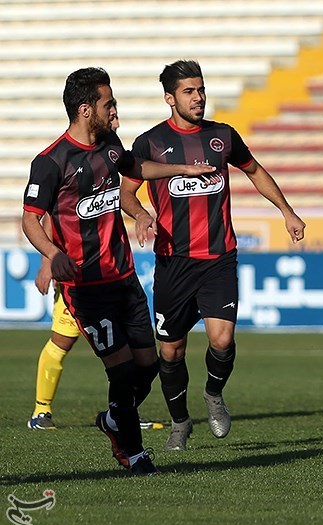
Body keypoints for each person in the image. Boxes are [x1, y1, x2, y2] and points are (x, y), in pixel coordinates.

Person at [22, 67, 218, 475]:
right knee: (123, 369)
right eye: (108, 103)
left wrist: (178, 173)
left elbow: (137, 169)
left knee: (147, 366)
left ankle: (114, 418)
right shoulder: (51, 161)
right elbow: (29, 219)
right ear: (84, 109)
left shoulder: (110, 145)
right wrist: (51, 253)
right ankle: (132, 452)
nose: (115, 110)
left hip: (124, 278)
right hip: (86, 288)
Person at [120, 60, 306, 452]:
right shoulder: (149, 143)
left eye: (201, 90)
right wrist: (142, 215)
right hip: (174, 261)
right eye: (189, 92)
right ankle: (179, 422)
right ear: (170, 98)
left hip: (219, 257)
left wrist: (286, 210)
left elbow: (254, 171)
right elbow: (125, 194)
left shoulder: (223, 136)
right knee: (171, 350)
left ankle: (213, 393)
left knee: (221, 340)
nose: (199, 98)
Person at [26, 113, 162, 432]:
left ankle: (121, 413)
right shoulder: (60, 160)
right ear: (90, 112)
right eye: (110, 108)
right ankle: (41, 411)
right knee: (62, 340)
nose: (116, 117)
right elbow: (51, 213)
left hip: (116, 275)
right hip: (79, 277)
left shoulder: (109, 150)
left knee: (139, 360)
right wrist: (48, 261)